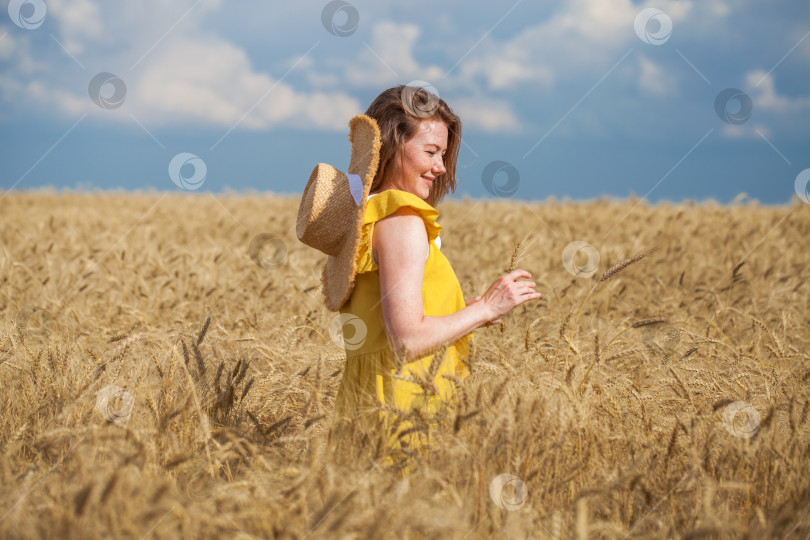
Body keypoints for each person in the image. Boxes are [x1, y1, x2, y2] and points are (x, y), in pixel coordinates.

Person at [296, 85, 541, 470]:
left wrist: (470, 310)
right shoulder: (402, 220)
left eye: (443, 154)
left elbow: (388, 322)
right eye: (430, 152)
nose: (441, 167)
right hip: (404, 411)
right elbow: (407, 340)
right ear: (391, 149)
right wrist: (486, 310)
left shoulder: (368, 219)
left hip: (367, 407)